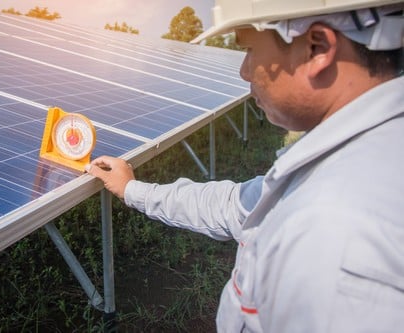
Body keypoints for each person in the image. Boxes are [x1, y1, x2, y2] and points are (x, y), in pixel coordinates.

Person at [86, 0, 404, 331]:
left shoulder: (337, 235)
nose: (243, 70)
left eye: (250, 49)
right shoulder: (357, 161)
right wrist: (132, 189)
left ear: (316, 48)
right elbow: (236, 205)